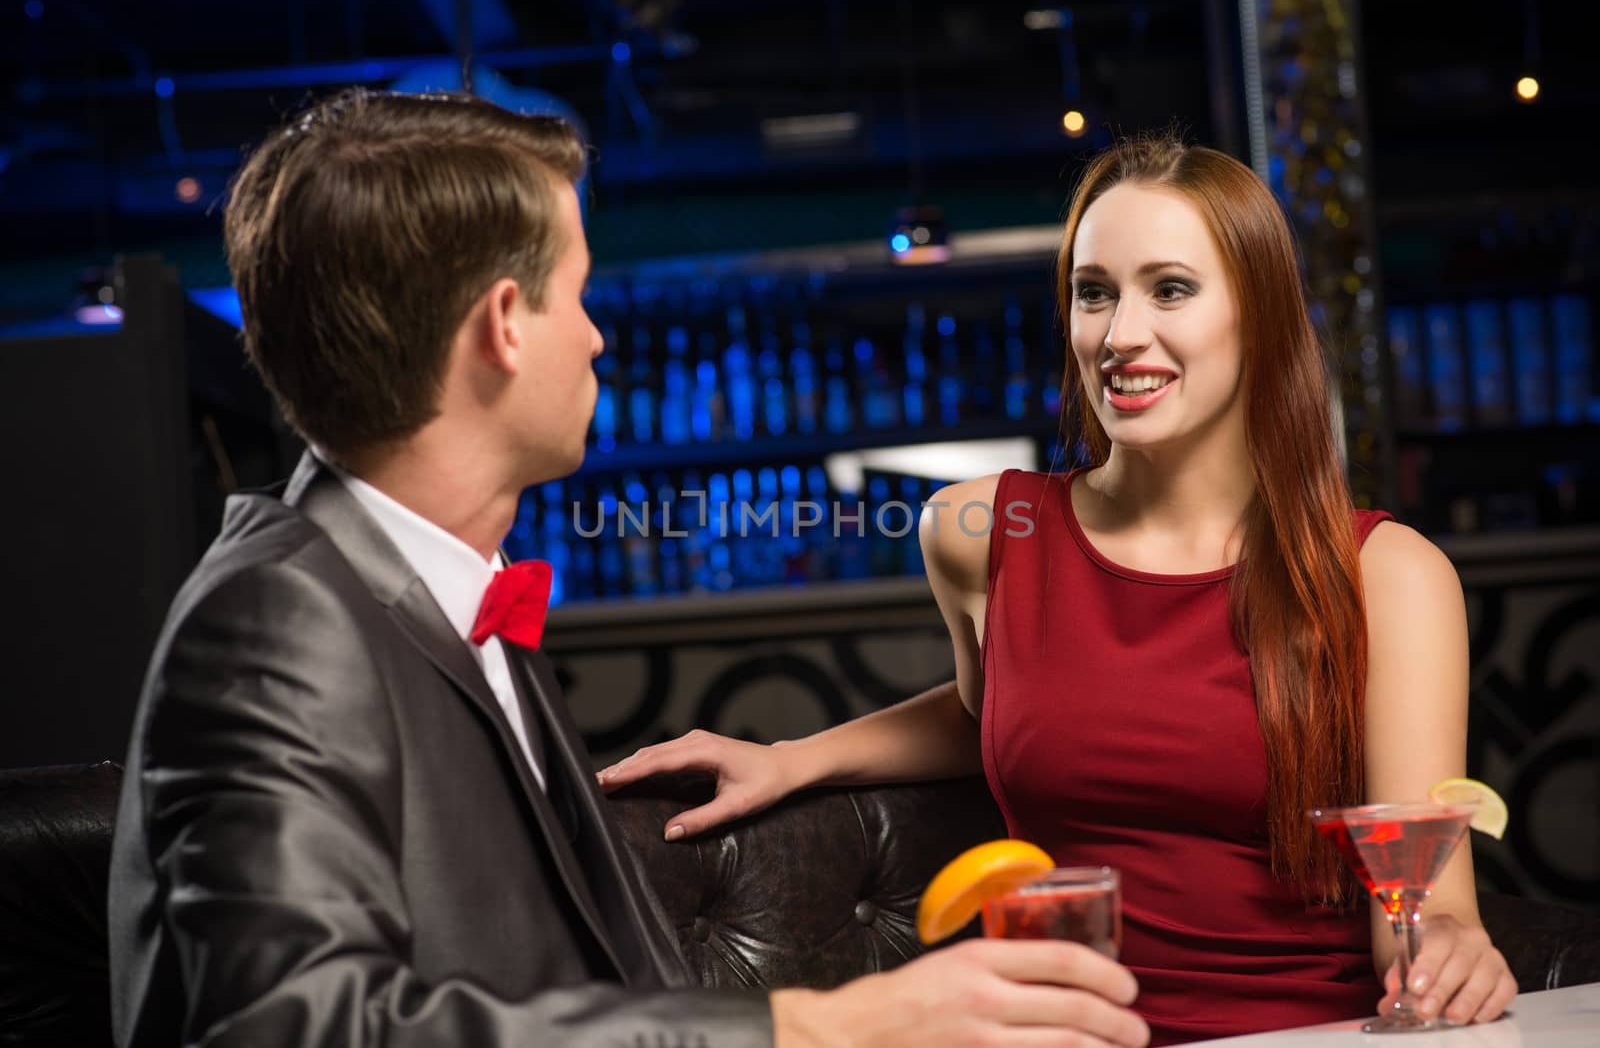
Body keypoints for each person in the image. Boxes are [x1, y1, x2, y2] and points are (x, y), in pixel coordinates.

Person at [106, 88, 1153, 1048]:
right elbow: (286, 1027)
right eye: (579, 295)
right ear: (503, 325)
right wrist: (818, 1031)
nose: (601, 340)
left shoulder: (445, 592)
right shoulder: (280, 619)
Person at [597, 134, 1517, 1045]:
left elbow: (1430, 900)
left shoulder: (1388, 577)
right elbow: (1000, 707)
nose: (1120, 335)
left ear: (1263, 316)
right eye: (1093, 294)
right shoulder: (976, 531)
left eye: (1171, 289)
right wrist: (795, 758)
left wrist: (1449, 945)